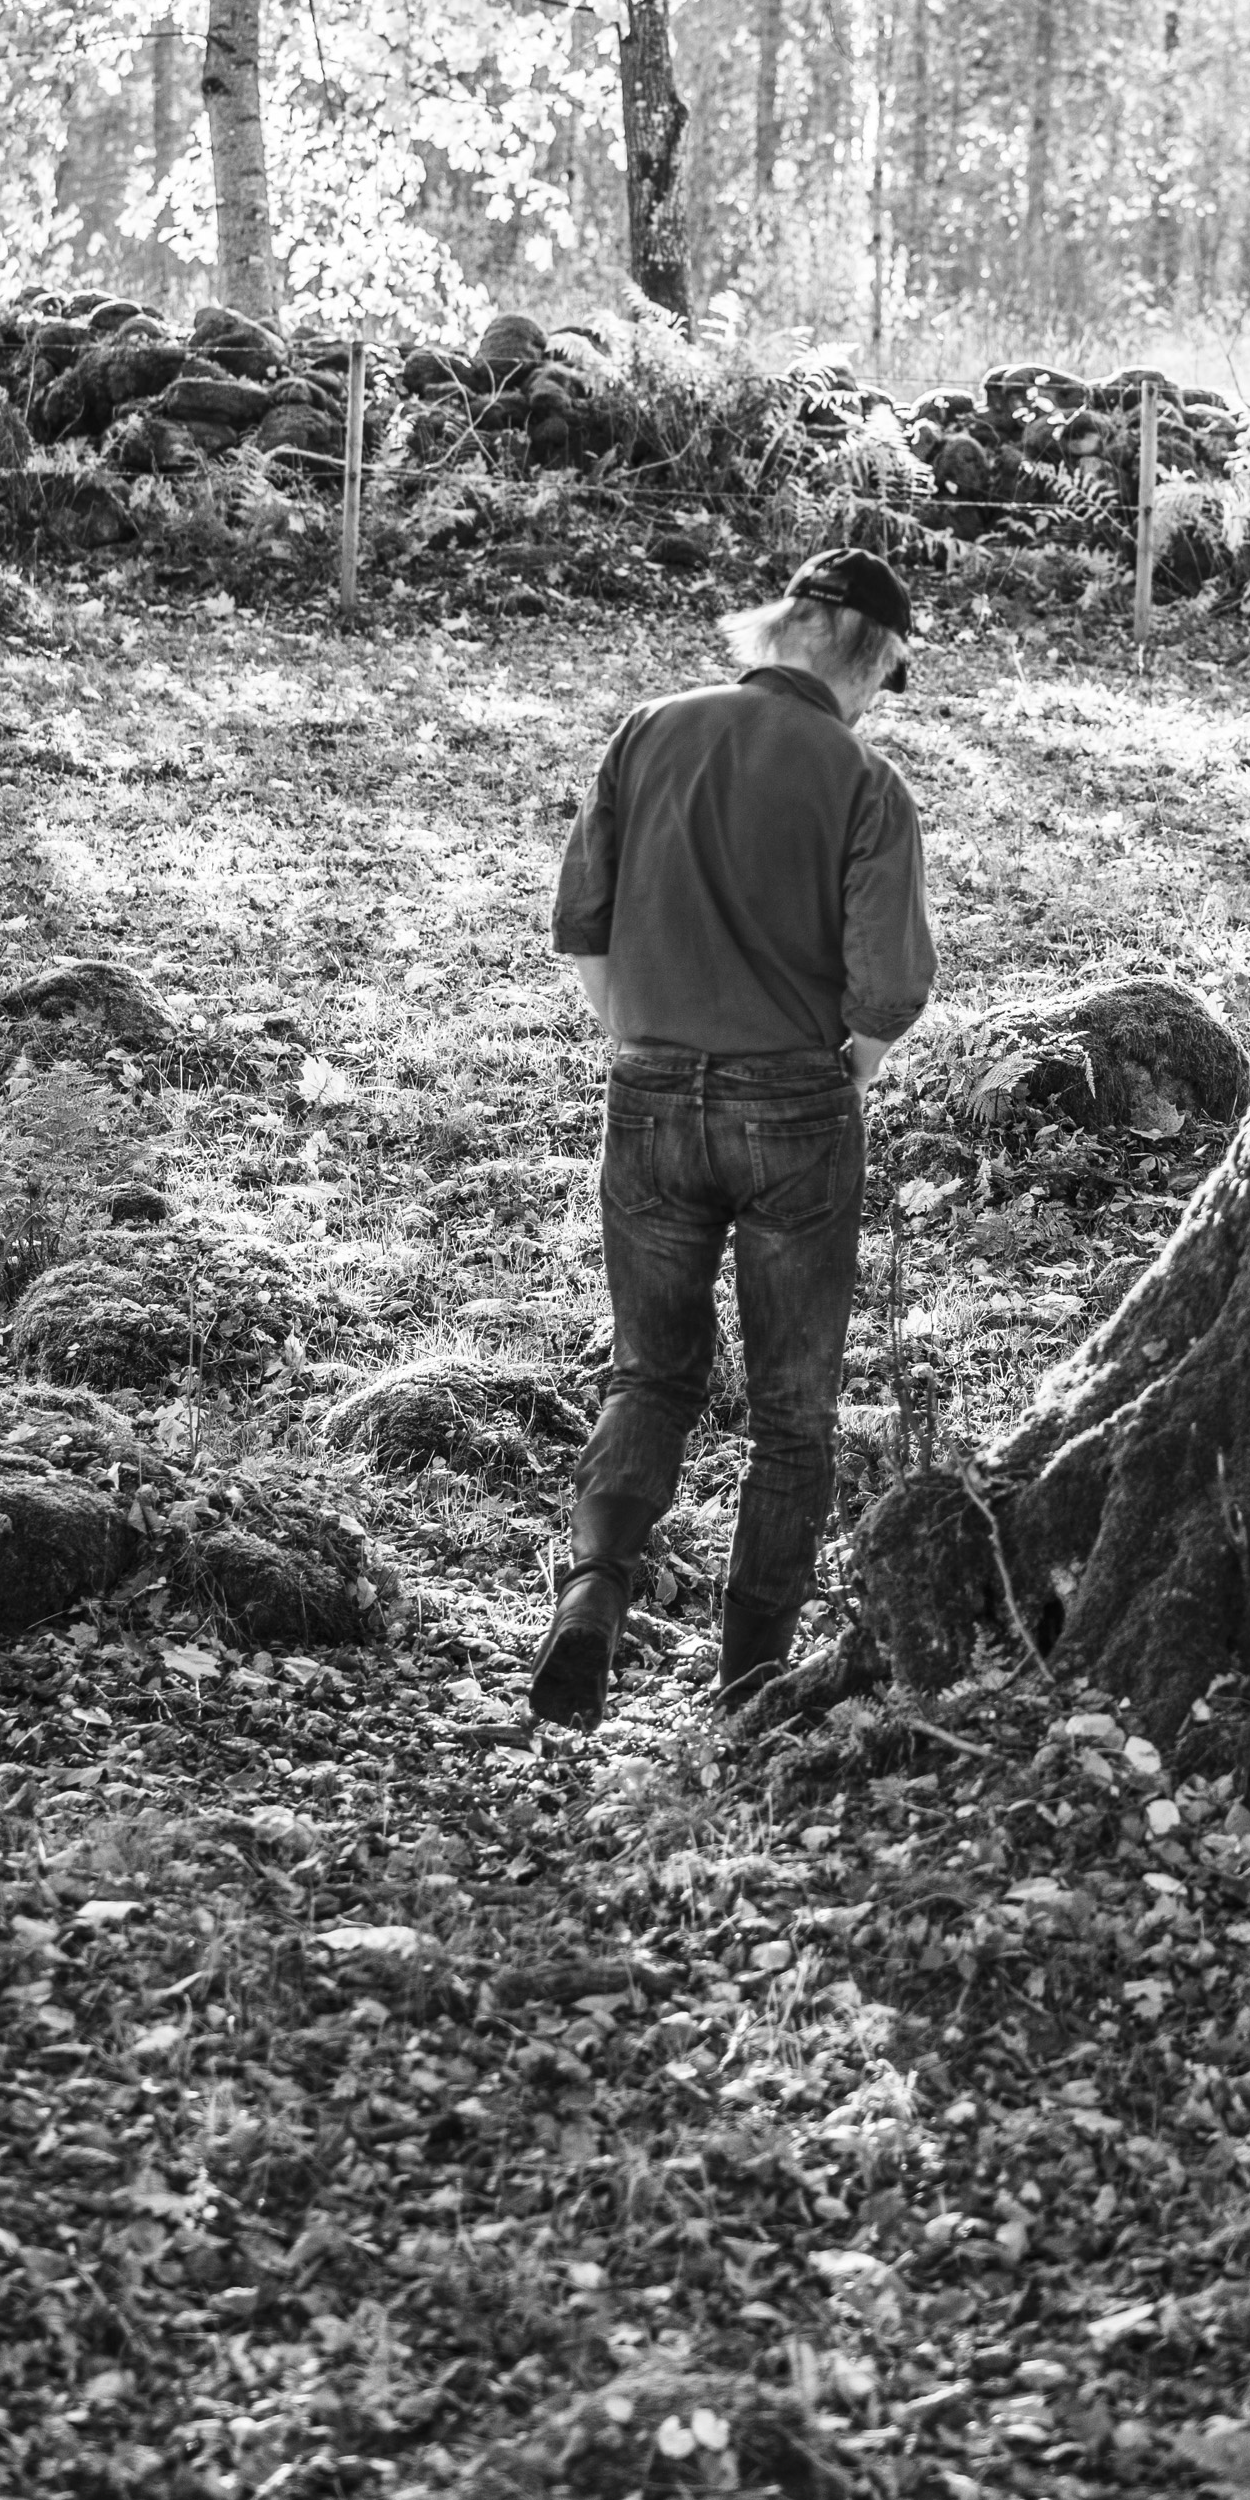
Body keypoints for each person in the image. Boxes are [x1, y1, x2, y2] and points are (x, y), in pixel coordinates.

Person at [529, 545, 938, 1729]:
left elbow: (581, 928)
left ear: (780, 627)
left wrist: (650, 1045)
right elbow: (886, 994)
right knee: (790, 1413)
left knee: (649, 1373)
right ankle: (748, 1680)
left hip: (646, 1091)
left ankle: (593, 1593)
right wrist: (833, 1072)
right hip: (795, 1112)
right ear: (863, 655)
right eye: (885, 676)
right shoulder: (863, 786)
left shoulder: (646, 732)